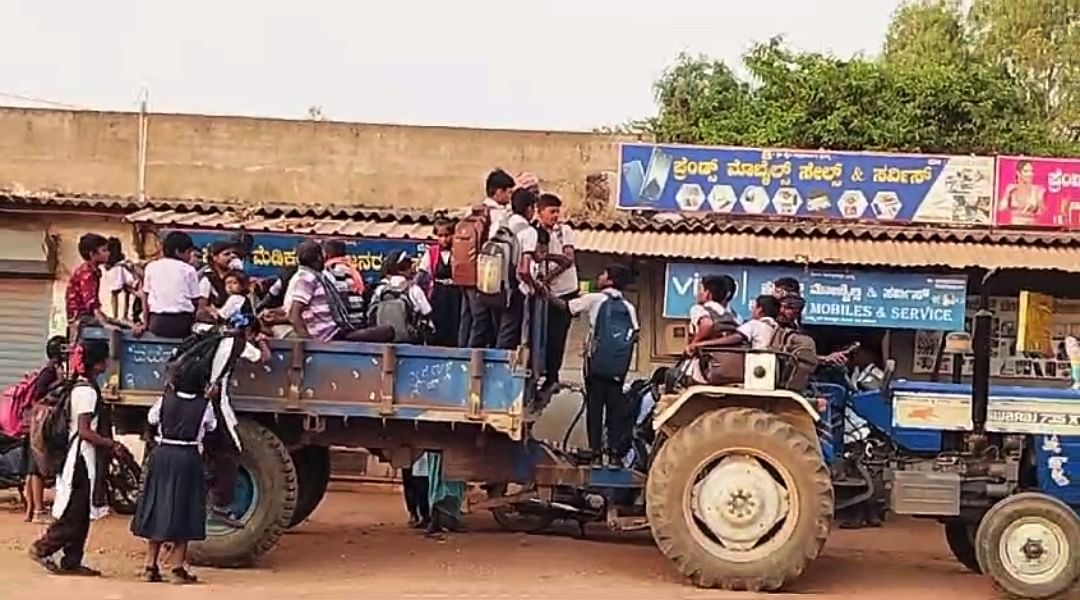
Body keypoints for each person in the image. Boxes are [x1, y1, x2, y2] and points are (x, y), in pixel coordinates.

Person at [29, 339, 124, 576]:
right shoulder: (87, 392)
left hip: (81, 456)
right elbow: (84, 431)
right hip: (81, 458)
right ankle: (43, 548)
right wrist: (111, 444)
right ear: (99, 363)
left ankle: (71, 560)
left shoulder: (81, 387)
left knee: (81, 514)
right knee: (75, 511)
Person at [131, 356, 217, 584]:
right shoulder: (204, 406)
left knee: (157, 506)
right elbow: (212, 426)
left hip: (162, 455)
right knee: (185, 509)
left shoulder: (165, 400)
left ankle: (150, 565)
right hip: (188, 457)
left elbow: (151, 418)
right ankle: (177, 568)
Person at [550, 264, 638, 463]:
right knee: (614, 410)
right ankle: (615, 454)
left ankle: (595, 452)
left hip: (596, 365)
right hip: (617, 370)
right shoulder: (629, 307)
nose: (600, 276)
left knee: (595, 408)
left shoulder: (596, 299)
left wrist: (545, 294)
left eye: (603, 273)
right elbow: (635, 335)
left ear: (610, 280)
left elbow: (567, 307)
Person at [204, 313, 271, 526]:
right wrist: (261, 341)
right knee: (230, 450)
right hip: (215, 403)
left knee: (209, 449)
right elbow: (263, 358)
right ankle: (219, 504)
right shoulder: (239, 344)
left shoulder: (212, 334)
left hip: (197, 400)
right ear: (249, 332)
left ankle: (205, 492)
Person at [284, 241, 395, 343]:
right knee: (387, 331)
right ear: (319, 257)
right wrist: (310, 344)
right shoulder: (307, 278)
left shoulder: (315, 276)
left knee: (383, 332)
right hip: (328, 336)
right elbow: (294, 315)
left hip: (335, 331)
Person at [463, 169, 516, 348]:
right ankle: (474, 361)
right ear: (498, 192)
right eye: (508, 191)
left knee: (469, 318)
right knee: (484, 321)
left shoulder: (473, 211)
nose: (510, 196)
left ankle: (463, 355)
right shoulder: (498, 215)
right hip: (486, 275)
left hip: (466, 272)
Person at [19, 336, 67, 523]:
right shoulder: (50, 370)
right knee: (38, 465)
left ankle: (31, 511)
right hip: (42, 420)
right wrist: (60, 383)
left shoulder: (50, 369)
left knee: (33, 466)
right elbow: (39, 393)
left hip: (37, 419)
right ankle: (38, 511)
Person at [534, 193, 578, 392]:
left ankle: (553, 377)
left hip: (564, 291)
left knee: (557, 336)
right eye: (551, 212)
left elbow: (568, 259)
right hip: (542, 292)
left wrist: (547, 276)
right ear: (539, 212)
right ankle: (540, 374)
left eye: (557, 212)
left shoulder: (564, 231)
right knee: (539, 335)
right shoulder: (534, 232)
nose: (555, 216)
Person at [65, 233, 136, 339]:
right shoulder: (87, 273)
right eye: (104, 250)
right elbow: (91, 303)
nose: (108, 253)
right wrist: (105, 324)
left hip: (88, 316)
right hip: (81, 318)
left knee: (122, 324)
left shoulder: (94, 271)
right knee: (117, 331)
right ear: (92, 254)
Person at [495, 188, 540, 350]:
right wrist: (535, 286)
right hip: (514, 289)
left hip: (493, 286)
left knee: (497, 330)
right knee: (510, 333)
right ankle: (501, 371)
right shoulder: (528, 231)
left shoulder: (500, 225)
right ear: (529, 208)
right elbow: (524, 270)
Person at [142, 232, 202, 338]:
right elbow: (196, 300)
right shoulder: (188, 270)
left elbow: (145, 297)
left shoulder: (151, 267)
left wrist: (145, 323)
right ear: (178, 252)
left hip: (157, 322)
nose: (190, 256)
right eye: (188, 252)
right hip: (182, 322)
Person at [369, 250, 433, 343]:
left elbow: (371, 314)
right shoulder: (414, 290)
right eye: (409, 267)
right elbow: (427, 313)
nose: (411, 270)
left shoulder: (380, 290)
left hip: (383, 342)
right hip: (410, 344)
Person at [417, 219, 463, 347]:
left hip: (455, 293)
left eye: (447, 236)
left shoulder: (460, 251)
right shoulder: (431, 253)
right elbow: (422, 274)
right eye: (440, 236)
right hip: (438, 293)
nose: (444, 240)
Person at [323, 239, 366, 328]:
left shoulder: (335, 270)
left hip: (348, 321)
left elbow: (340, 297)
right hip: (359, 318)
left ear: (328, 254)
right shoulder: (351, 268)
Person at [198, 240, 245, 322]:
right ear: (215, 257)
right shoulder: (208, 279)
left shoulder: (236, 276)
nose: (231, 257)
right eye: (226, 254)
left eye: (233, 254)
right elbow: (201, 307)